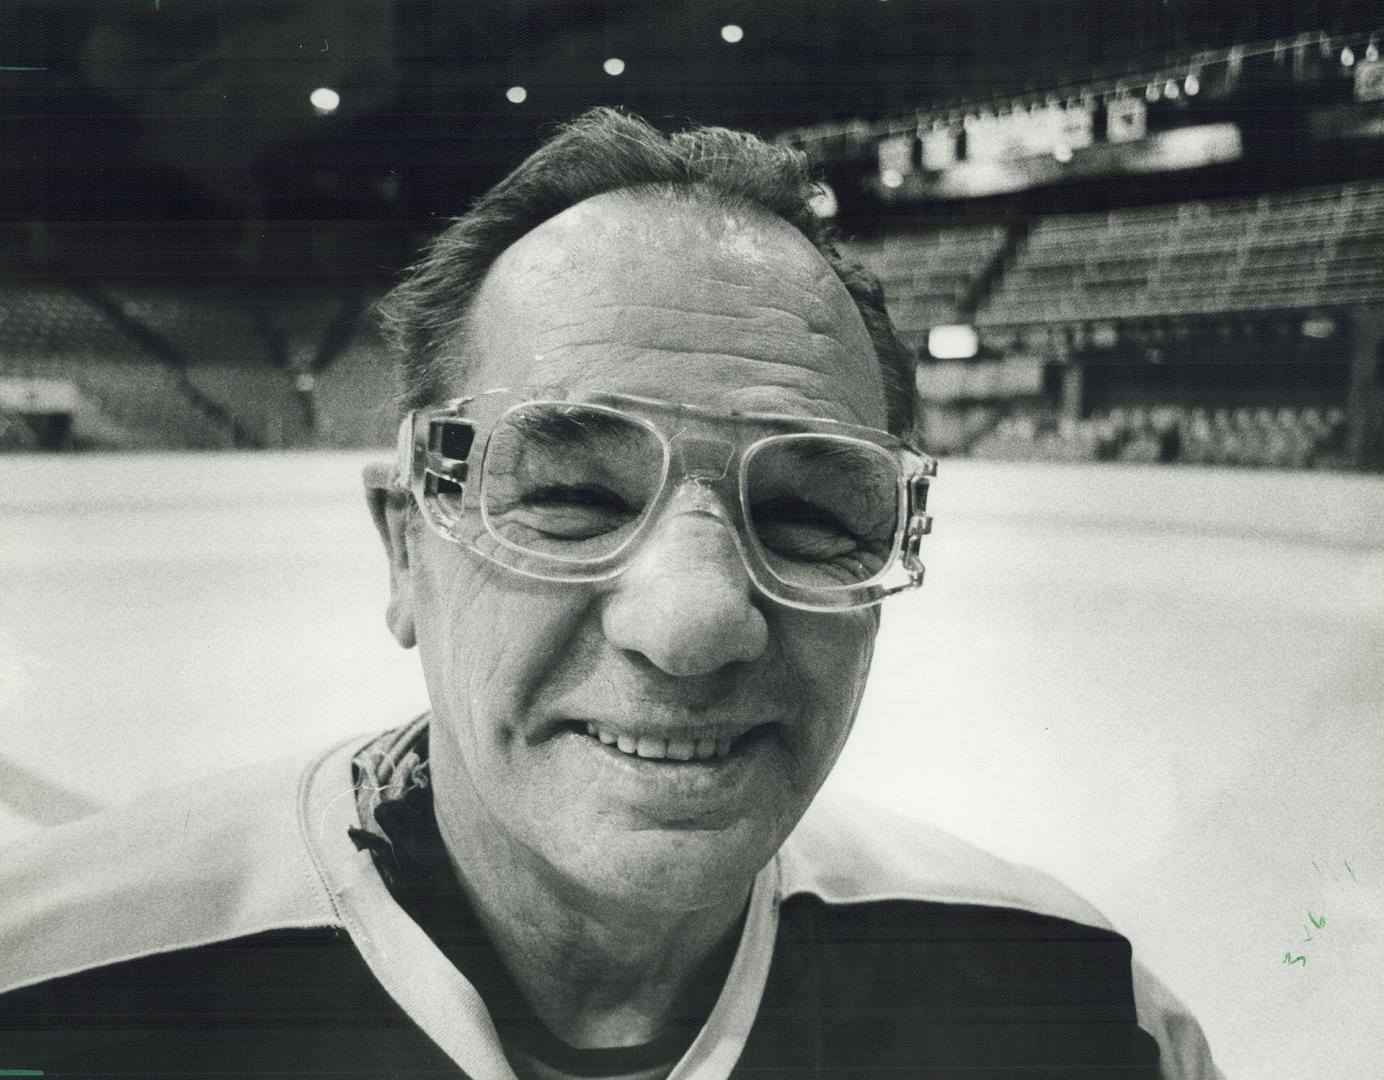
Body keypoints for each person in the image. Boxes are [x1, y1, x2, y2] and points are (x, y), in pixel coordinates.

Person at [0, 108, 1222, 1079]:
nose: (692, 624)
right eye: (572, 498)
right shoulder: (42, 985)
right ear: (404, 551)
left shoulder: (1084, 1022)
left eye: (808, 514)